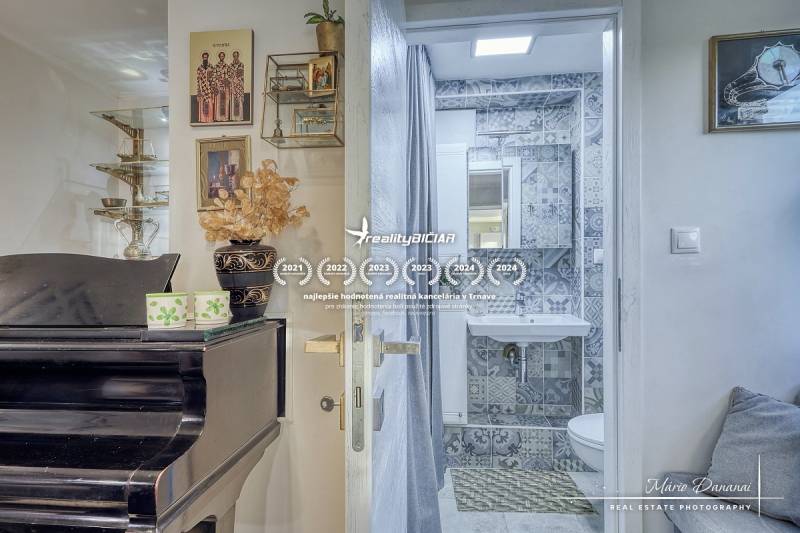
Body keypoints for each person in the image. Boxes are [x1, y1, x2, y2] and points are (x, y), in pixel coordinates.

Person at [213, 51, 231, 122]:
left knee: (225, 101)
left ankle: (225, 117)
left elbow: (229, 76)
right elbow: (214, 76)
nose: (222, 57)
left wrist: (226, 81)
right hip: (218, 86)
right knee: (218, 102)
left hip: (225, 86)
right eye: (220, 56)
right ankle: (218, 118)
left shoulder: (227, 66)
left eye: (223, 56)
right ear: (219, 57)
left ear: (224, 57)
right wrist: (217, 82)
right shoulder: (216, 66)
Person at [196, 52, 214, 123]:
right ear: (202, 58)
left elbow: (213, 78)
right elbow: (198, 79)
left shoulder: (211, 66)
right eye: (204, 57)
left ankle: (209, 119)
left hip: (209, 88)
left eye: (206, 57)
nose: (205, 59)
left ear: (208, 58)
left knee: (209, 102)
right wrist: (199, 89)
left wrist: (212, 86)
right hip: (202, 88)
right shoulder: (199, 68)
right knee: (203, 102)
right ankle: (203, 119)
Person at [230, 50, 246, 121]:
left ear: (238, 56)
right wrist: (232, 82)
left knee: (239, 100)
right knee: (234, 100)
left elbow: (242, 75)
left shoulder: (241, 64)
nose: (235, 57)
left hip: (239, 85)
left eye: (236, 56)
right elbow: (230, 76)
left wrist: (239, 81)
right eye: (234, 56)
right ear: (233, 56)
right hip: (233, 85)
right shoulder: (231, 65)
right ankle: (234, 118)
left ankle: (239, 117)